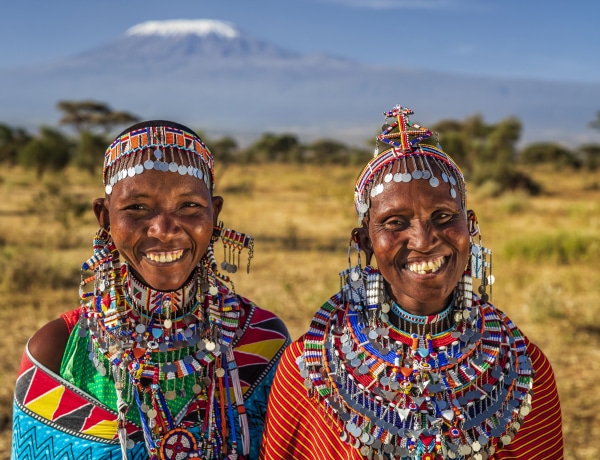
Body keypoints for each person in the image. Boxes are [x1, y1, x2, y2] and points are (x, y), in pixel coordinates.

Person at [260, 106, 563, 459]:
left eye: (443, 217)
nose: (423, 240)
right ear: (364, 242)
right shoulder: (310, 368)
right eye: (395, 222)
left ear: (471, 226)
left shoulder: (522, 369)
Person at [12, 120, 290, 460]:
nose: (164, 229)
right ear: (104, 217)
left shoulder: (261, 342)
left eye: (189, 206)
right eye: (137, 208)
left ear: (214, 215)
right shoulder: (56, 351)